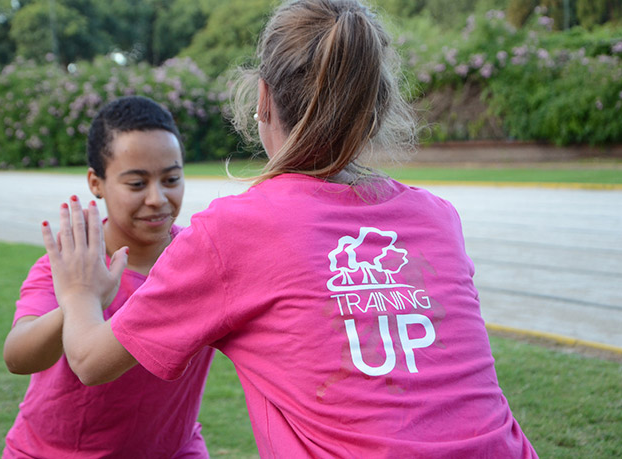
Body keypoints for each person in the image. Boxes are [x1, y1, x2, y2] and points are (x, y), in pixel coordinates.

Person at [41, 1, 538, 457]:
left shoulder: (235, 231)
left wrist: (82, 293)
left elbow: (88, 360)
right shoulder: (437, 217)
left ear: (263, 99)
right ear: (377, 106)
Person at [2, 96, 214, 458]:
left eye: (171, 179)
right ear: (96, 182)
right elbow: (18, 356)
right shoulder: (74, 265)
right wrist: (79, 299)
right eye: (136, 184)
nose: (157, 198)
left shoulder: (204, 262)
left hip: (174, 450)